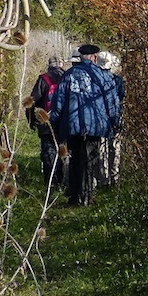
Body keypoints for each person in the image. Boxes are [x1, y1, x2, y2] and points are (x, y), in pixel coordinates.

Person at [49, 43, 120, 206]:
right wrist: (115, 124)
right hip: (95, 126)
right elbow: (112, 101)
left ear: (80, 58)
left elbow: (58, 101)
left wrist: (53, 122)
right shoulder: (102, 76)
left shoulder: (69, 75)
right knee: (91, 160)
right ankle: (87, 195)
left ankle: (75, 196)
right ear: (94, 58)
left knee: (74, 160)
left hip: (72, 126)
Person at [26, 54, 67, 189]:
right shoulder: (67, 77)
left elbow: (32, 101)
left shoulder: (43, 79)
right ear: (61, 64)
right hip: (64, 121)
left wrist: (31, 120)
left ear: (49, 66)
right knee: (62, 149)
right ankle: (62, 180)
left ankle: (51, 182)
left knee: (49, 151)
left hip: (46, 122)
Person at [95, 51, 125, 188]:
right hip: (115, 117)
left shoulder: (95, 79)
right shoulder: (117, 81)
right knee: (114, 148)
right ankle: (115, 178)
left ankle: (103, 179)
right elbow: (120, 100)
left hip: (99, 119)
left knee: (101, 149)